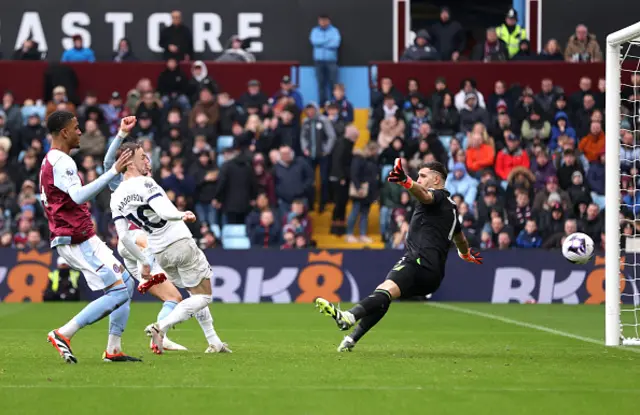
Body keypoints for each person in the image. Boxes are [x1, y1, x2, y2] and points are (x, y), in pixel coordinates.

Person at [315, 159, 482, 351]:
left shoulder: (437, 197)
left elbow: (426, 196)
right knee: (384, 295)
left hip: (418, 261)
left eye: (423, 176)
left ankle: (349, 316)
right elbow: (459, 238)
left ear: (436, 180)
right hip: (434, 277)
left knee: (383, 292)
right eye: (418, 176)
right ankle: (352, 338)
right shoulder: (452, 208)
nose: (419, 179)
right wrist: (465, 254)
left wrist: (406, 181)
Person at [104, 136, 228, 354]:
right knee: (204, 296)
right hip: (179, 241)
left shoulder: (115, 198)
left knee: (193, 293)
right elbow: (163, 210)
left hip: (160, 252)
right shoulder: (146, 183)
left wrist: (143, 261)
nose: (147, 161)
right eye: (143, 157)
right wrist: (181, 214)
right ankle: (161, 327)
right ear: (130, 162)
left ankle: (214, 341)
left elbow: (122, 237)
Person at [41, 111, 137, 364]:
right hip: (75, 239)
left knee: (126, 284)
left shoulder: (53, 160)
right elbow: (78, 196)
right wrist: (113, 171)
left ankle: (113, 350)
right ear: (64, 132)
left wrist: (120, 135)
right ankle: (64, 333)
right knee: (117, 293)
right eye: (76, 127)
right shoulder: (61, 161)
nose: (80, 131)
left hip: (84, 236)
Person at [309, 14, 341, 106]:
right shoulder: (314, 31)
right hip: (318, 62)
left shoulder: (334, 31)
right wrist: (328, 41)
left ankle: (334, 103)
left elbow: (335, 44)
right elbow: (314, 41)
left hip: (331, 61)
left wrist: (320, 44)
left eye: (324, 20)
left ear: (328, 21)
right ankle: (323, 104)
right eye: (321, 20)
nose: (323, 22)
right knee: (321, 84)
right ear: (319, 21)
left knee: (333, 83)